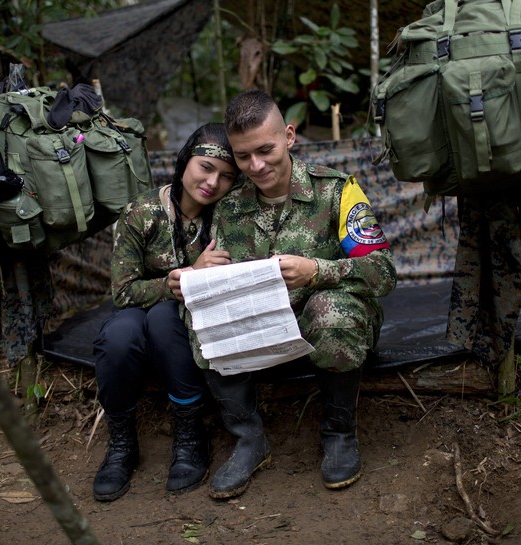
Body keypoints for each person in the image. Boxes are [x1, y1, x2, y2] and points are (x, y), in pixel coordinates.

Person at [170, 90, 397, 499]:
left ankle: (338, 432)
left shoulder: (336, 190)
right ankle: (248, 439)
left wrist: (316, 271)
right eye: (242, 157)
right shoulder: (229, 206)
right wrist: (197, 277)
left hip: (322, 326)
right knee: (198, 313)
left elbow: (383, 272)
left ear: (289, 136)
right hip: (264, 329)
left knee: (333, 311)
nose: (255, 166)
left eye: (265, 150)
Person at [92, 123, 239, 501]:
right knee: (117, 337)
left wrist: (193, 287)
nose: (212, 182)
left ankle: (191, 433)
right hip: (140, 310)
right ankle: (122, 442)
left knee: (164, 318)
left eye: (225, 176)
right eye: (205, 167)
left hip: (197, 319)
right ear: (185, 160)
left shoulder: (230, 215)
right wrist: (175, 283)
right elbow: (122, 292)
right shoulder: (141, 212)